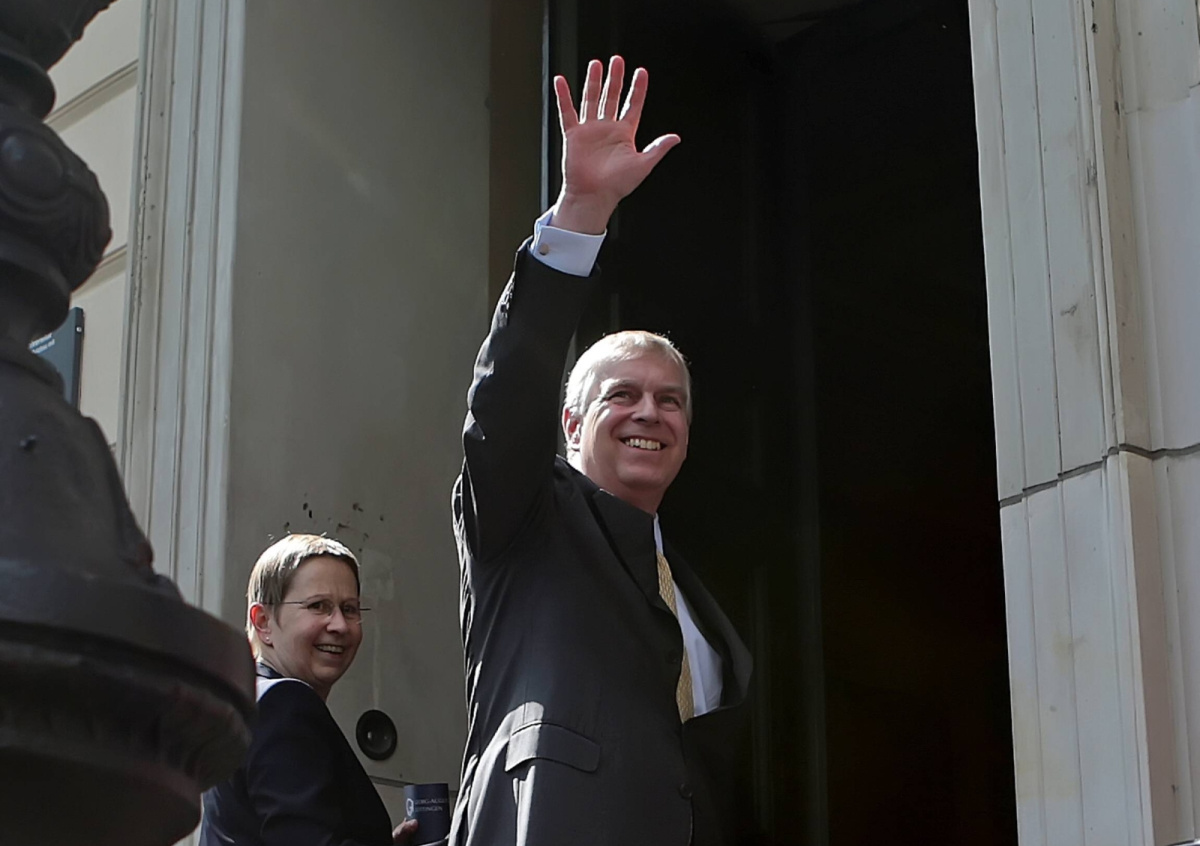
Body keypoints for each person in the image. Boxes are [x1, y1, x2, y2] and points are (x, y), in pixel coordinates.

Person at [450, 56, 752, 846]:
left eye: (670, 400)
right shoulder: (524, 519)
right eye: (623, 394)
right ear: (571, 424)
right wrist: (582, 214)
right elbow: (505, 400)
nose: (649, 411)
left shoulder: (694, 595)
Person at [199, 534, 420, 846]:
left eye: (350, 609)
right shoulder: (281, 704)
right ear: (263, 622)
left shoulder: (245, 703)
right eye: (318, 606)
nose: (340, 625)